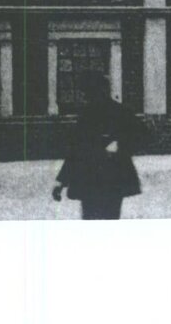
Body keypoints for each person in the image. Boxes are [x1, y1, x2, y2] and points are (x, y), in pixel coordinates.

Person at [52, 72, 146, 220]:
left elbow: (145, 136)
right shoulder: (86, 115)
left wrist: (120, 145)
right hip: (90, 179)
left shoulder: (120, 112)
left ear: (101, 91)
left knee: (109, 220)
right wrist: (61, 182)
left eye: (89, 92)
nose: (86, 97)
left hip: (113, 179)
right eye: (86, 93)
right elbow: (76, 150)